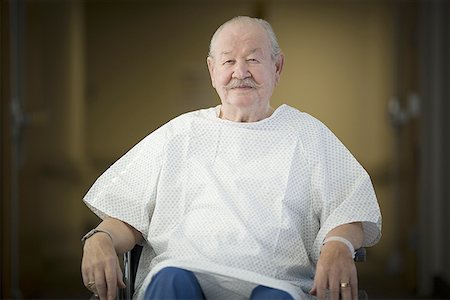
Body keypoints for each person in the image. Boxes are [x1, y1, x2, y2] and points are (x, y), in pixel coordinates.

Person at [81, 16, 381, 300]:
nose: (240, 72)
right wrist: (100, 238)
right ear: (212, 71)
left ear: (277, 67)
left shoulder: (306, 133)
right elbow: (126, 215)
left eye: (253, 59)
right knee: (170, 279)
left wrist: (339, 246)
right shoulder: (180, 133)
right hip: (182, 272)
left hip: (277, 280)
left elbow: (350, 209)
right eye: (228, 61)